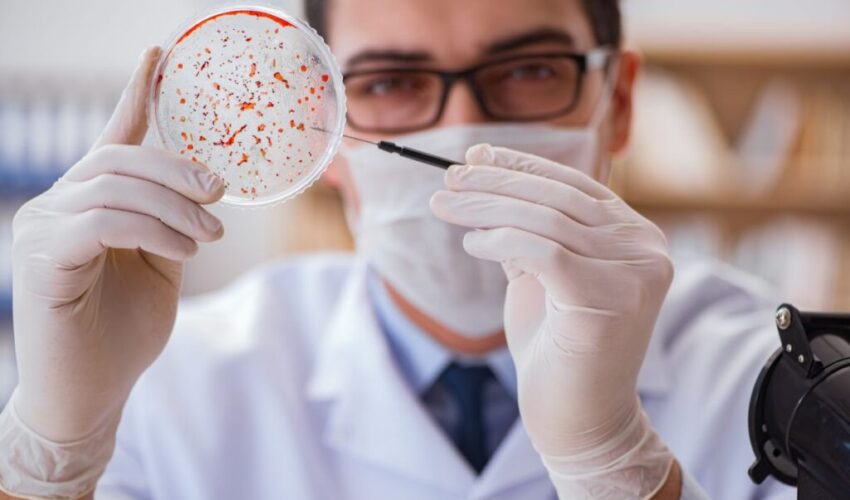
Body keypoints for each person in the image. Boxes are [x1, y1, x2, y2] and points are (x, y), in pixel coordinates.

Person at [0, 0, 796, 498]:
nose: (466, 129)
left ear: (617, 102)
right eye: (386, 83)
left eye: (528, 70)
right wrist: (50, 456)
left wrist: (616, 469)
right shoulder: (173, 389)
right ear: (323, 138)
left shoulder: (776, 375)